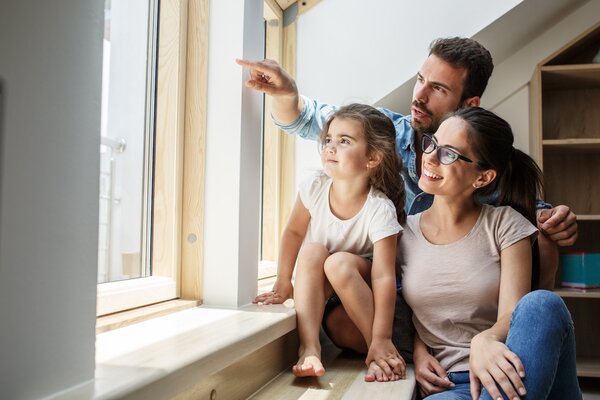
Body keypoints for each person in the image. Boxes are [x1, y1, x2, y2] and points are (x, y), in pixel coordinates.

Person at [236, 36, 578, 353]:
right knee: (339, 322)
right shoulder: (387, 133)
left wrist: (552, 218)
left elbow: (521, 204)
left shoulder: (479, 169)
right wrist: (285, 95)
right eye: (420, 80)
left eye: (438, 88)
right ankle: (408, 352)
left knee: (544, 245)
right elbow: (308, 118)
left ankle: (526, 345)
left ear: (469, 103)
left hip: (442, 294)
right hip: (385, 280)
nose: (420, 95)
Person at [400, 107, 580, 399]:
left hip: (516, 372)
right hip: (451, 384)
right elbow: (410, 314)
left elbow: (513, 311)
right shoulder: (402, 234)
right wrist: (420, 352)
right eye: (431, 144)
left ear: (483, 178)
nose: (430, 157)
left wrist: (486, 338)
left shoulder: (505, 224)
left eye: (448, 154)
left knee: (541, 304)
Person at [253, 103, 407, 382]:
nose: (330, 147)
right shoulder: (315, 186)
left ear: (372, 158)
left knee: (337, 263)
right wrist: (284, 280)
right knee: (312, 252)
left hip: (366, 304)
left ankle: (379, 353)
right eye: (328, 140)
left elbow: (384, 277)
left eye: (344, 141)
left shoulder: (379, 209)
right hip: (329, 304)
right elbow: (293, 233)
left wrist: (381, 337)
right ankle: (309, 348)